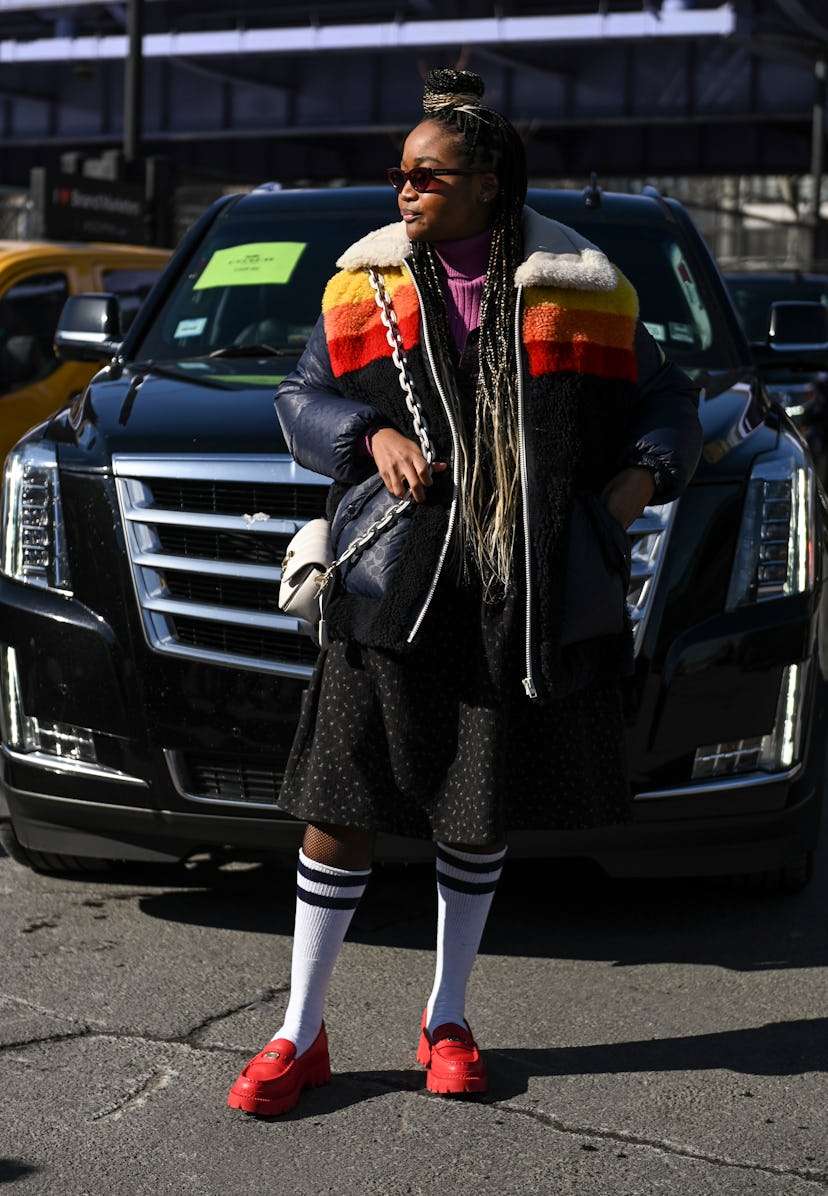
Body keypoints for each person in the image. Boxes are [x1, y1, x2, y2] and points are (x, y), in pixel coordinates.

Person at [227, 67, 702, 1117]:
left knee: (472, 816)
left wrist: (630, 488)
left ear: (488, 182)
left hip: (509, 591)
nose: (404, 191)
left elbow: (669, 402)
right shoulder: (365, 287)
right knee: (335, 809)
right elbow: (297, 397)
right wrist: (368, 433)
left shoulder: (584, 286)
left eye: (427, 175)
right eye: (399, 175)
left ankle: (447, 1017)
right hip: (388, 583)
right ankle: (298, 1031)